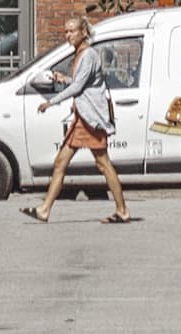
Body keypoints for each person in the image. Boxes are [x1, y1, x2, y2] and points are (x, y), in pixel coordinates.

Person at [25, 17, 135, 223]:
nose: (68, 35)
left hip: (90, 120)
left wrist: (51, 102)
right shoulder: (80, 54)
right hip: (81, 118)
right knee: (61, 163)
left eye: (72, 31)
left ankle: (122, 210)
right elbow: (82, 83)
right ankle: (44, 210)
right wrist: (64, 79)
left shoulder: (88, 55)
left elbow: (78, 87)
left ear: (83, 32)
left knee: (103, 164)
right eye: (66, 32)